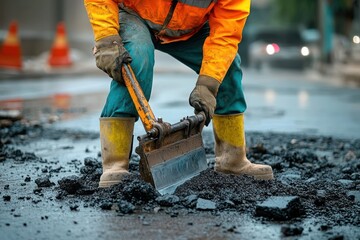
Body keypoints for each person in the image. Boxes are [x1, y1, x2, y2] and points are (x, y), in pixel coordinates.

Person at [84, 0, 274, 188]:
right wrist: (106, 38)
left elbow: (226, 32)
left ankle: (232, 160)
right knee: (136, 58)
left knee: (228, 69)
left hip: (190, 29)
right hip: (135, 15)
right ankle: (115, 163)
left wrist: (208, 86)